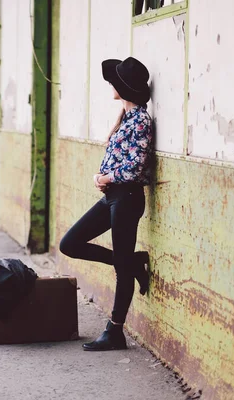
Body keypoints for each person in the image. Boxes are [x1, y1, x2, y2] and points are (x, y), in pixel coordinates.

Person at [59, 57, 153, 351]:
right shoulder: (124, 118)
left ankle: (115, 330)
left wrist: (108, 176)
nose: (110, 84)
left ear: (123, 87)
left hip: (127, 197)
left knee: (122, 271)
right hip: (113, 196)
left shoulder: (141, 121)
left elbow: (136, 168)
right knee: (70, 243)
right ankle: (134, 262)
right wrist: (100, 176)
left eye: (114, 81)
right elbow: (116, 159)